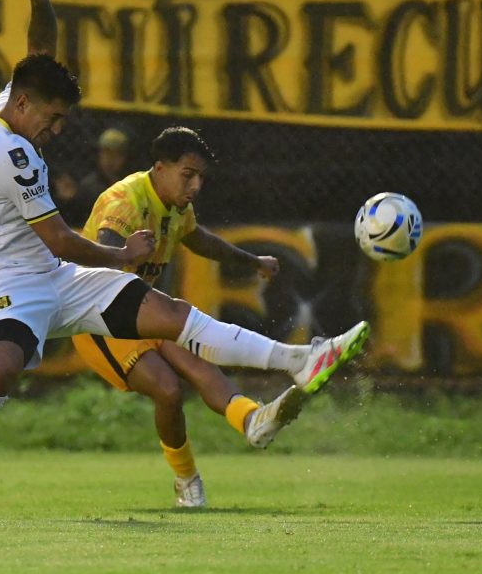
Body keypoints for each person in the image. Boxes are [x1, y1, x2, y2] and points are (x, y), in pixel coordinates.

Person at [0, 0, 370, 520]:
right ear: (25, 103)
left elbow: (39, 54)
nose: (55, 130)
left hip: (58, 278)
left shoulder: (8, 108)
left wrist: (41, 2)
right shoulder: (9, 155)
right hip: (6, 282)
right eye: (52, 119)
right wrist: (120, 255)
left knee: (172, 316)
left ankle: (300, 359)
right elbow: (59, 238)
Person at [71, 126, 312, 507]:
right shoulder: (125, 199)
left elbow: (199, 239)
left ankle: (252, 420)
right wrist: (126, 253)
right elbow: (104, 256)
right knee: (168, 388)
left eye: (200, 176)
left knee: (199, 363)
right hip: (98, 319)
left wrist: (252, 261)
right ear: (160, 168)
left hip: (141, 309)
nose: (196, 185)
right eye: (188, 175)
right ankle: (186, 480)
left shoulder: (176, 207)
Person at [52, 126, 133, 226]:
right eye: (106, 153)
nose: (110, 159)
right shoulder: (89, 187)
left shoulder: (130, 184)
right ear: (100, 154)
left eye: (116, 154)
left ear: (125, 157)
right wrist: (70, 200)